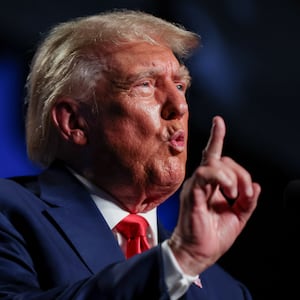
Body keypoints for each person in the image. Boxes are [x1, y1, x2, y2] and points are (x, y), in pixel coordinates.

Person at [0, 9, 261, 300]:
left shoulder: (228, 292)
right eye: (145, 85)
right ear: (75, 122)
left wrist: (183, 259)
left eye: (179, 86)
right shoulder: (9, 213)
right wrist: (176, 263)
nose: (180, 105)